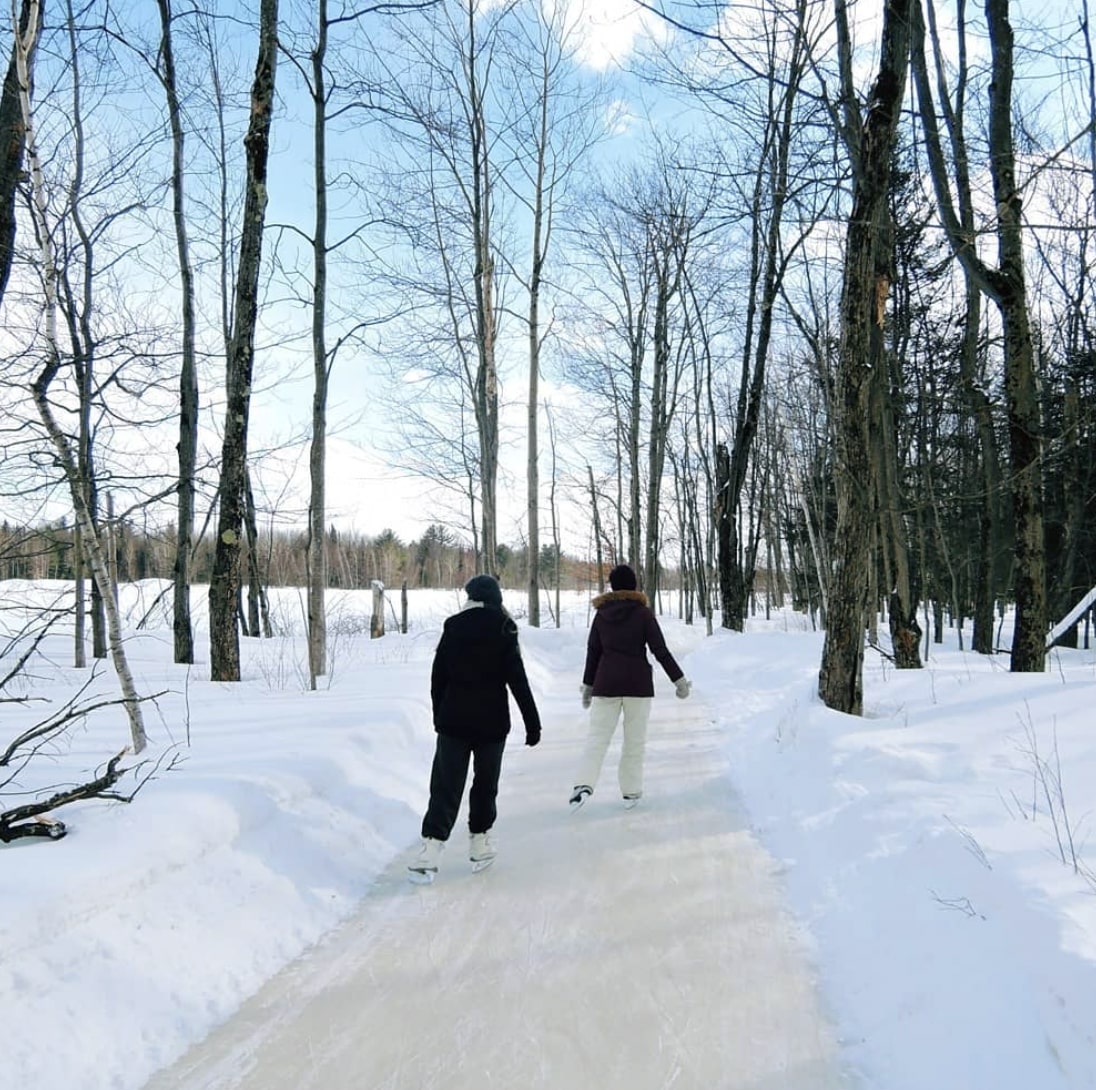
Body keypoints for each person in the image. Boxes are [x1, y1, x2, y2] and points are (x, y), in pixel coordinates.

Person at [409, 574, 541, 882]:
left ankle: (430, 848)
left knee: (445, 784)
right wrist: (532, 723)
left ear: (469, 596)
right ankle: (479, 843)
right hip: (492, 723)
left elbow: (437, 677)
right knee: (486, 784)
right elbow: (517, 680)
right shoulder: (504, 627)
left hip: (453, 721)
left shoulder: (453, 626)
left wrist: (439, 715)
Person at [570, 563, 690, 811]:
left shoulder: (601, 615)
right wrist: (678, 680)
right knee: (634, 742)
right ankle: (631, 792)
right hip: (638, 686)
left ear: (612, 586)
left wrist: (588, 686)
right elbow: (660, 650)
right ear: (634, 585)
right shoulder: (643, 614)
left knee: (597, 738)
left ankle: (583, 784)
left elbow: (593, 652)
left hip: (606, 684)